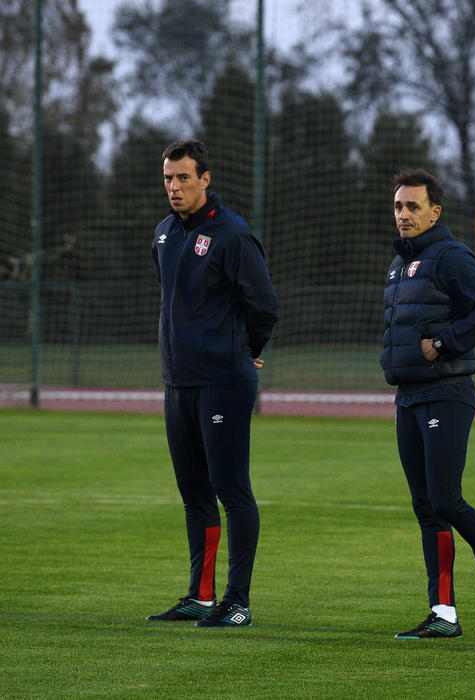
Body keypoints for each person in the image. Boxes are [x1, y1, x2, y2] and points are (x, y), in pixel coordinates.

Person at [381, 168, 475, 640]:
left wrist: (443, 343)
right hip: (408, 395)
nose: (403, 214)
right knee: (426, 506)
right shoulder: (399, 263)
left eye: (413, 206)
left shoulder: (451, 257)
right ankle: (443, 613)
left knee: (445, 498)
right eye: (398, 206)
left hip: (447, 392)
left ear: (435, 211)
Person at [147, 139, 279, 627]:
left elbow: (264, 306)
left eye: (183, 177)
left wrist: (247, 349)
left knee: (231, 490)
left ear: (205, 179)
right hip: (178, 382)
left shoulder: (232, 234)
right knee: (193, 492)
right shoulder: (164, 234)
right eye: (168, 178)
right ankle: (200, 597)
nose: (174, 186)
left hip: (224, 381)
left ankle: (237, 601)